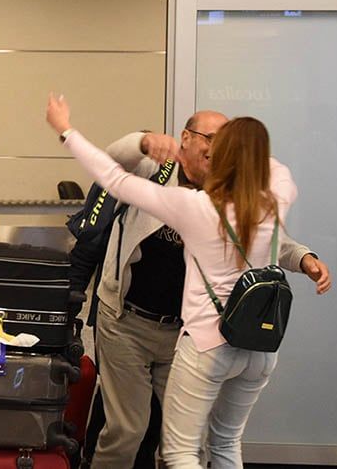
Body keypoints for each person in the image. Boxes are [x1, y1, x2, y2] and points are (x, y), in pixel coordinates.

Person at [46, 93, 316, 468]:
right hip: (130, 323)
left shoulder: (209, 204)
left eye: (224, 142)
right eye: (208, 137)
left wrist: (64, 129)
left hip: (189, 335)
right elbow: (114, 162)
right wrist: (143, 140)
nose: (214, 148)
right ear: (185, 137)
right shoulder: (165, 174)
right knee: (140, 431)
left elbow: (272, 240)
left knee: (181, 446)